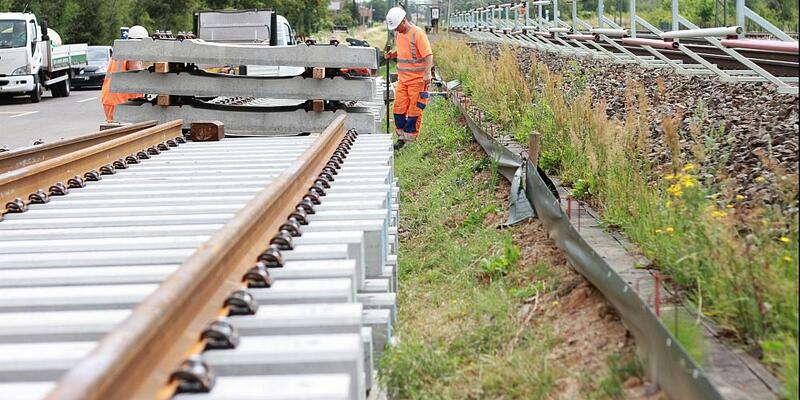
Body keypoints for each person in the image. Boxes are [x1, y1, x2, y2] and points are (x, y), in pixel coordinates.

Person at [385, 7, 434, 150]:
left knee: (414, 111)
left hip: (418, 81)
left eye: (397, 26)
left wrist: (427, 73)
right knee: (398, 109)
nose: (396, 29)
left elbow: (428, 55)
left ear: (403, 20)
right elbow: (404, 51)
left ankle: (409, 140)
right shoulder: (398, 33)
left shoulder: (418, 34)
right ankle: (401, 137)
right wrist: (393, 55)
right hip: (403, 80)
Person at [100, 25, 147, 122]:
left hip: (111, 98)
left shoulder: (122, 50)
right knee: (122, 128)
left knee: (115, 127)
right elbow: (137, 71)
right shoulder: (133, 51)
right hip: (120, 100)